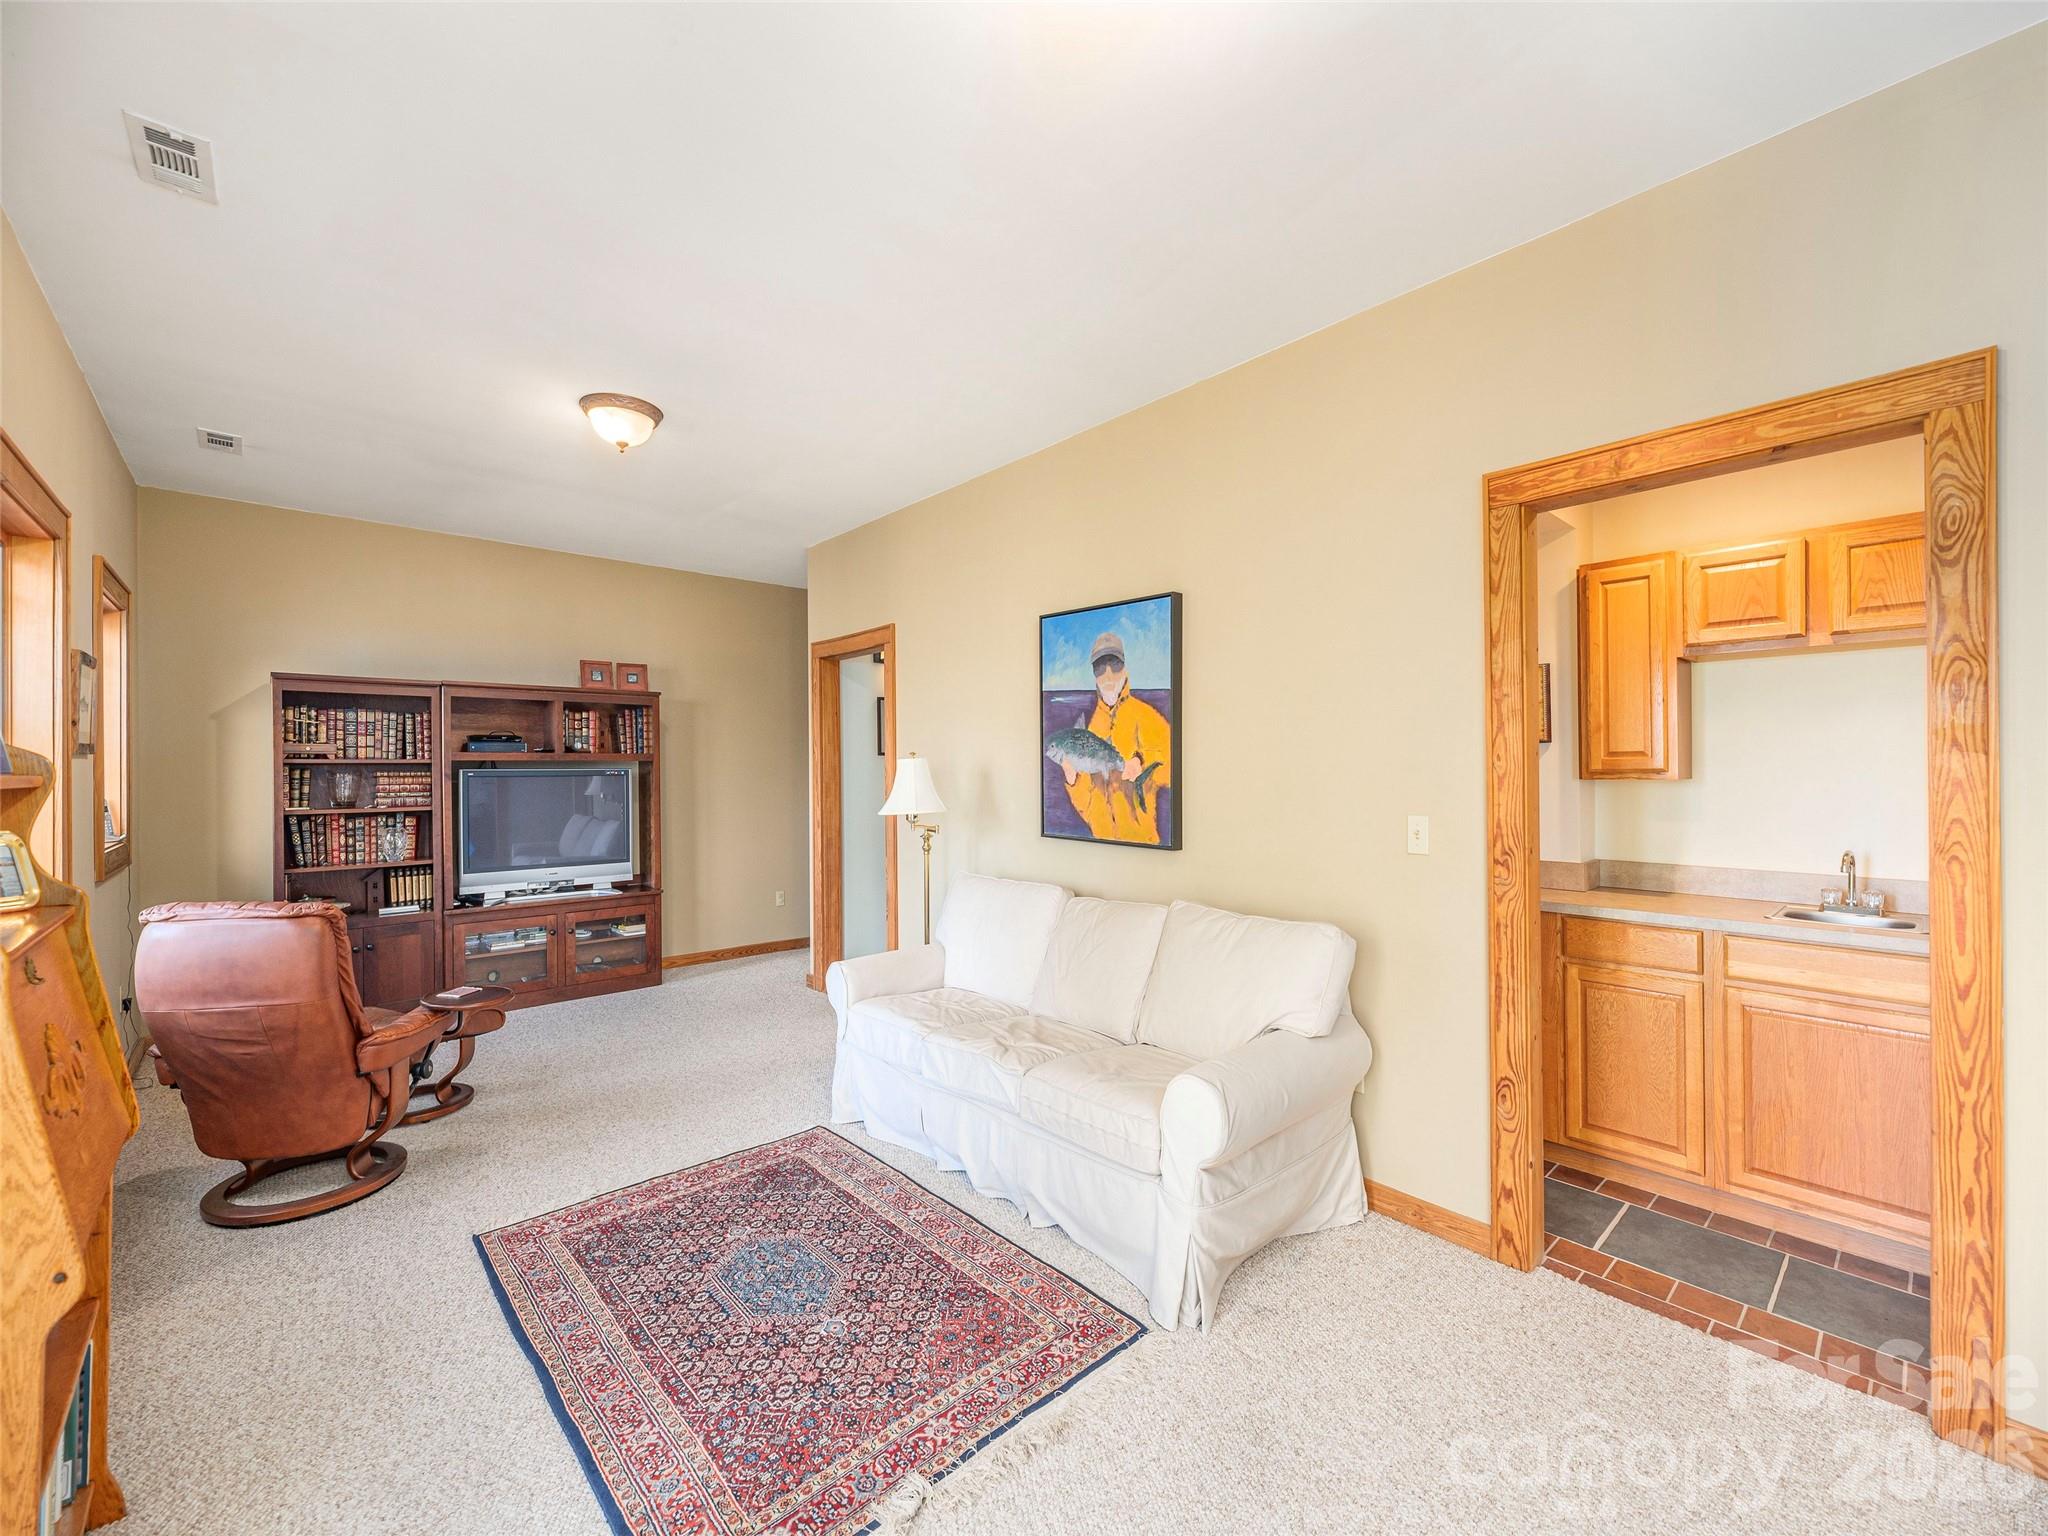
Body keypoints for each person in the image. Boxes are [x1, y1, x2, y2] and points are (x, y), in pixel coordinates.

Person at [1061, 630, 1172, 844]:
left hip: (1144, 847)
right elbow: (1088, 806)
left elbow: (1174, 770)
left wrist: (1141, 760)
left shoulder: (1146, 715)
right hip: (1102, 850)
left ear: (1125, 667)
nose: (1108, 675)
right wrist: (1073, 780)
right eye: (1100, 668)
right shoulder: (1092, 727)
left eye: (1115, 664)